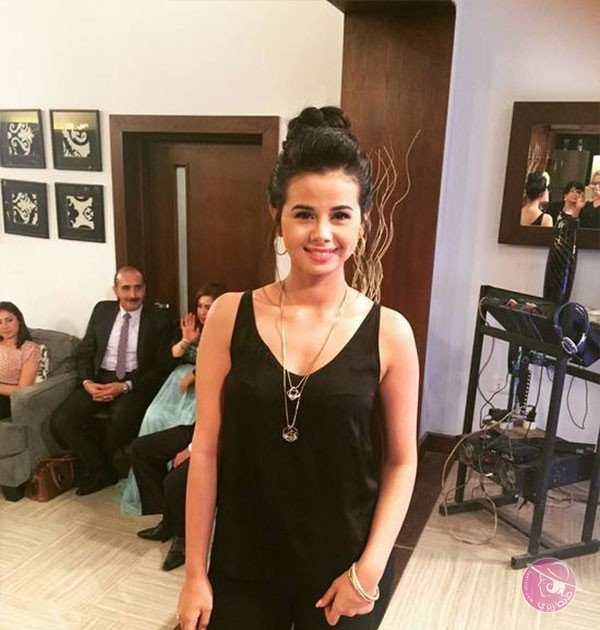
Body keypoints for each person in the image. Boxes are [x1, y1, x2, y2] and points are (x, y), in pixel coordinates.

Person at [177, 107, 419, 630]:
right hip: (243, 563)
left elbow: (402, 461)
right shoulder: (230, 316)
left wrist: (369, 571)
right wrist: (195, 571)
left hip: (343, 568)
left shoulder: (390, 332)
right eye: (304, 213)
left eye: (340, 215)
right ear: (277, 215)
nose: (322, 233)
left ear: (363, 220)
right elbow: (207, 449)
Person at [50, 266, 173, 496]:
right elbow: (85, 352)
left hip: (136, 382)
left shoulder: (160, 318)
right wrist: (87, 382)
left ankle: (99, 469)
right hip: (100, 378)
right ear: (115, 290)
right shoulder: (102, 310)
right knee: (61, 421)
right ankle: (102, 468)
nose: (132, 294)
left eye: (138, 288)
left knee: (120, 421)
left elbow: (161, 367)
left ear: (145, 289)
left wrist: (125, 386)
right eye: (126, 288)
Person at [120, 283, 225, 515]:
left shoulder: (226, 329)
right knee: (153, 417)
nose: (203, 312)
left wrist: (194, 375)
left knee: (185, 423)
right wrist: (186, 340)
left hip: (204, 385)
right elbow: (166, 360)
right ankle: (153, 494)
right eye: (200, 306)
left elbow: (222, 364)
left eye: (209, 306)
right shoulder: (188, 325)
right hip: (175, 385)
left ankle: (178, 491)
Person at [131, 423, 195, 571]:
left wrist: (192, 449)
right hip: (200, 429)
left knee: (175, 481)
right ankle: (169, 520)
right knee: (141, 449)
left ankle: (183, 536)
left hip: (226, 438)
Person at [0, 302, 40, 419]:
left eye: (9, 320)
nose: (4, 326)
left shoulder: (30, 349)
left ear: (19, 320)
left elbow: (23, 388)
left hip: (9, 399)